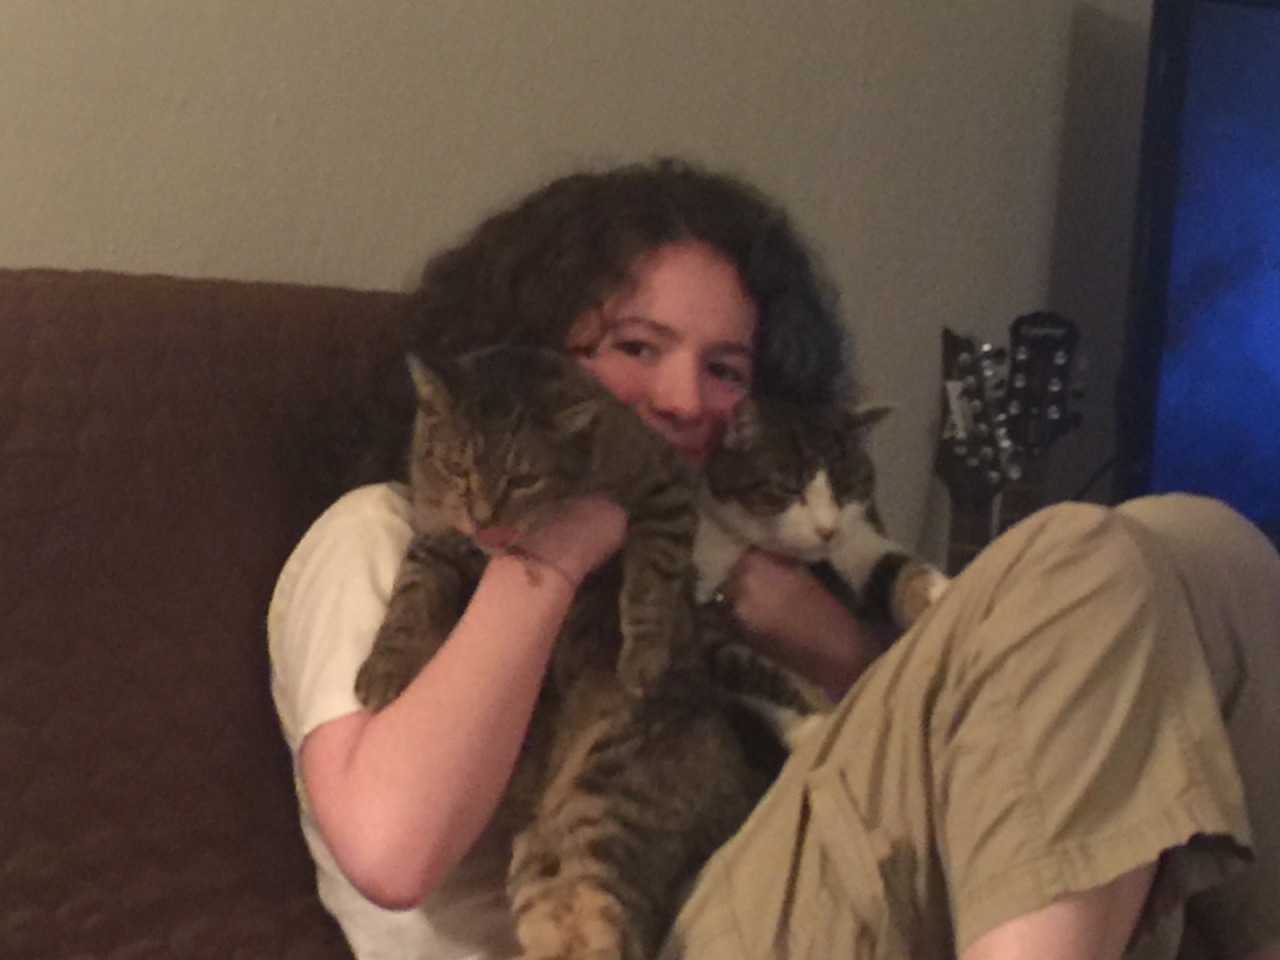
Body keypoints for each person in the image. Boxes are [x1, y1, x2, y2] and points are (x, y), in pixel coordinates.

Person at [268, 158, 1280, 960]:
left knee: (1204, 542)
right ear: (523, 358)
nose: (684, 401)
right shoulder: (378, 534)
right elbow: (391, 850)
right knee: (1076, 554)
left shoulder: (723, 556)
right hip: (616, 928)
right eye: (635, 348)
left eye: (724, 370)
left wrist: (831, 645)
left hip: (770, 879)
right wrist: (558, 551)